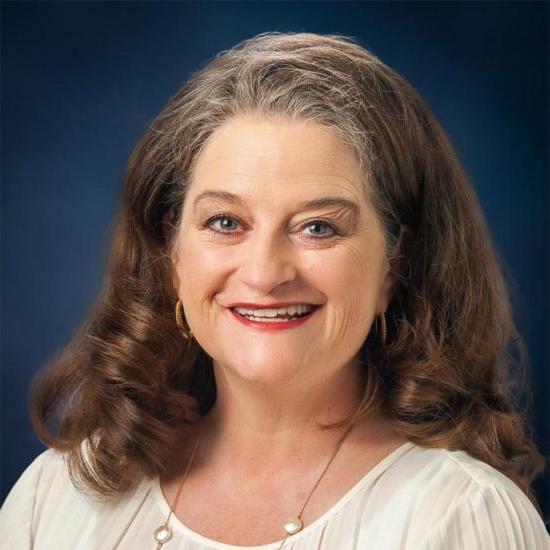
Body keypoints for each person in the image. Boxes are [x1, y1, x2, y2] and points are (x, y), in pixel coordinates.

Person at [0, 31, 548, 550]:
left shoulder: (459, 516)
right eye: (225, 222)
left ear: (394, 264)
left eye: (318, 227)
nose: (264, 273)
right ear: (172, 253)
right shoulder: (59, 495)